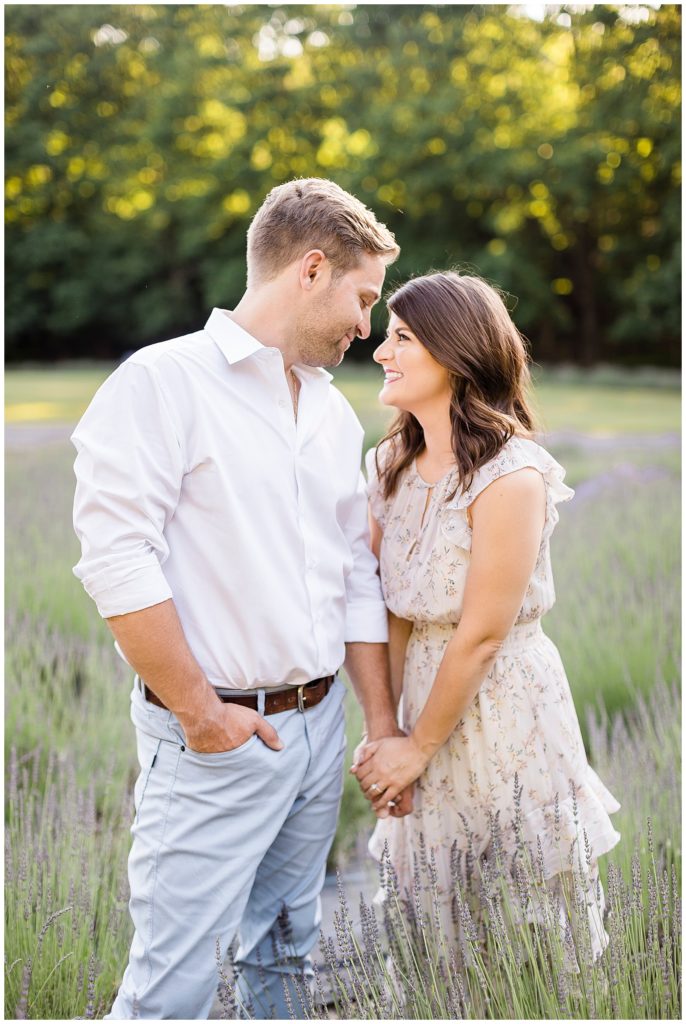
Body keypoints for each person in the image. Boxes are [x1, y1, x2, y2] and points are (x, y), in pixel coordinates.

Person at [71, 177, 411, 1020]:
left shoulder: (331, 416)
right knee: (172, 984)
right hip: (215, 739)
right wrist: (201, 716)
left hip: (317, 727)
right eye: (363, 299)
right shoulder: (162, 382)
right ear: (311, 268)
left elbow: (354, 579)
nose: (367, 327)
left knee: (288, 960)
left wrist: (375, 726)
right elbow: (117, 560)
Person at [352, 270, 621, 962]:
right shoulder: (391, 465)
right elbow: (388, 613)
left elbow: (481, 635)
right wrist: (386, 735)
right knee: (431, 916)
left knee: (518, 916)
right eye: (386, 335)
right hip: (420, 698)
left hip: (502, 706)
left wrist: (417, 749)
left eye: (403, 337)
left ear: (455, 351)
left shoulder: (511, 474)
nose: (382, 351)